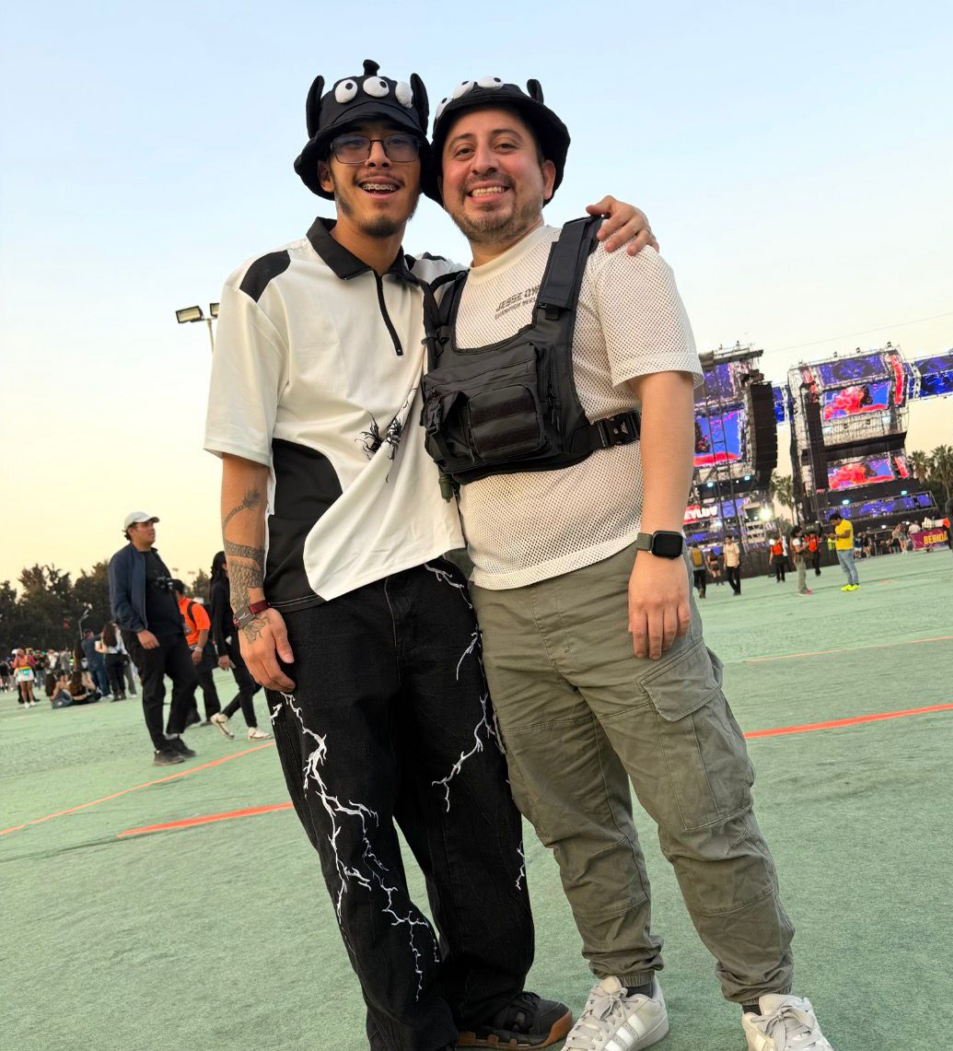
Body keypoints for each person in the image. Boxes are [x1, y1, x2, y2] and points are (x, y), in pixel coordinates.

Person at [202, 61, 654, 1051]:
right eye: (352, 143)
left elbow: (550, 273)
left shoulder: (450, 284)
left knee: (477, 816)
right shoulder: (265, 286)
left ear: (422, 167)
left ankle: (489, 1000)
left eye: (398, 141)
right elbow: (242, 463)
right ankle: (414, 1031)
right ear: (324, 170)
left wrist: (618, 227)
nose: (377, 157)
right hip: (321, 601)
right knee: (355, 835)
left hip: (448, 588)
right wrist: (247, 606)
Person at [427, 76, 834, 1051]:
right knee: (572, 820)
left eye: (505, 144)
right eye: (462, 151)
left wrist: (662, 544)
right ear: (442, 185)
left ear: (547, 168)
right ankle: (628, 988)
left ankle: (769, 1001)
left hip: (620, 574)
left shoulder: (610, 255)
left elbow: (665, 389)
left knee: (701, 803)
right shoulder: (433, 302)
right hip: (502, 607)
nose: (483, 164)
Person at [108, 512, 199, 766]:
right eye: (145, 525)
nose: (151, 528)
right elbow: (119, 602)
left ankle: (173, 734)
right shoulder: (122, 560)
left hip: (172, 633)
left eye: (152, 524)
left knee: (189, 679)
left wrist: (180, 623)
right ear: (131, 531)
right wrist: (139, 629)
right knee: (154, 689)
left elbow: (168, 593)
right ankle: (161, 748)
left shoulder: (154, 557)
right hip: (145, 635)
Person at [206, 552, 271, 741]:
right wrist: (222, 652)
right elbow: (216, 621)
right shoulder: (218, 588)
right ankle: (252, 728)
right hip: (229, 644)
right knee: (246, 684)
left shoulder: (233, 586)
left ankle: (223, 715)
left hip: (240, 639)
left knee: (255, 682)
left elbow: (236, 617)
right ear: (224, 565)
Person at [172, 580, 223, 725]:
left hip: (198, 650)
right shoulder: (171, 609)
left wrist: (199, 649)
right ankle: (191, 715)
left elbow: (204, 628)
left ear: (177, 592)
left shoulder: (193, 606)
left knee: (205, 683)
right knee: (184, 685)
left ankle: (213, 714)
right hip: (182, 653)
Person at [827, 512, 859, 590]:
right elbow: (838, 537)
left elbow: (846, 534)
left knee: (851, 567)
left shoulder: (846, 523)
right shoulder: (836, 527)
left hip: (847, 549)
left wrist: (835, 535)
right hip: (839, 549)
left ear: (838, 519)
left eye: (833, 522)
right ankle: (850, 583)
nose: (833, 524)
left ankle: (856, 583)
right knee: (845, 568)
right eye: (831, 522)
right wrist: (832, 537)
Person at [101, 622, 130, 700]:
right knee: (120, 676)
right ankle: (123, 693)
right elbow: (123, 647)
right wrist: (125, 656)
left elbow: (103, 649)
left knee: (112, 678)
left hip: (109, 657)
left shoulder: (104, 636)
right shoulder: (118, 635)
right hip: (119, 656)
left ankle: (116, 694)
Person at [80, 629, 111, 698]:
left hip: (90, 664)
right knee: (102, 679)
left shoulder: (83, 643)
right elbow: (102, 635)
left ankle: (97, 694)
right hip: (98, 663)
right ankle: (105, 693)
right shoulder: (93, 640)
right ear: (90, 634)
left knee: (94, 680)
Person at [789, 527, 812, 596]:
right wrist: (805, 545)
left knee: (803, 574)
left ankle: (804, 588)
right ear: (796, 533)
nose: (801, 532)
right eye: (800, 532)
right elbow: (798, 550)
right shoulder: (796, 540)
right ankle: (801, 591)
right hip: (798, 558)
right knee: (801, 574)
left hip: (796, 557)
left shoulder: (793, 539)